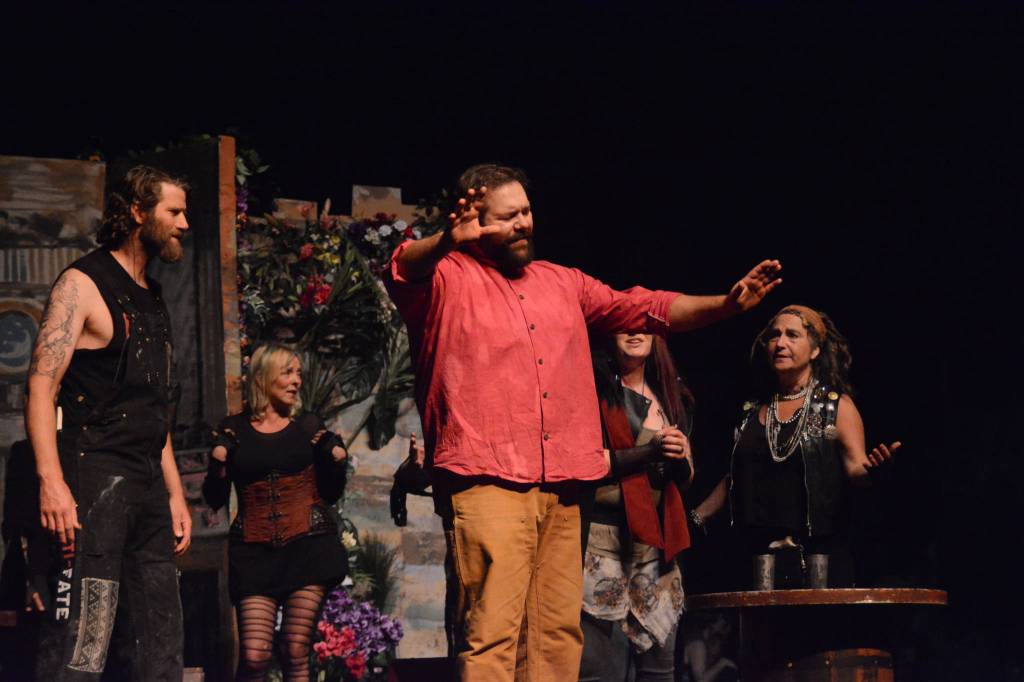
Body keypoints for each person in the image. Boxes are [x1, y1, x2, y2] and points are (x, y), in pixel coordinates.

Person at [383, 162, 782, 681]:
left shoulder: (561, 282)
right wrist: (444, 242)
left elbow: (645, 308)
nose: (524, 223)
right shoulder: (445, 279)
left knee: (555, 638)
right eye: (508, 216)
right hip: (488, 478)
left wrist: (725, 305)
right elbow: (402, 267)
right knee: (492, 635)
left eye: (527, 211)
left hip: (565, 486)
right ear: (475, 222)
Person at [24, 165, 193, 680]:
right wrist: (52, 483)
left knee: (160, 638)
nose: (185, 223)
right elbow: (39, 386)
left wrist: (176, 493)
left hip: (145, 483)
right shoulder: (82, 283)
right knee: (84, 637)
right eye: (174, 211)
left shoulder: (154, 294)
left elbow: (153, 409)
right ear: (137, 212)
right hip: (93, 477)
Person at [689, 305, 900, 586]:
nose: (781, 343)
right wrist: (695, 517)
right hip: (758, 561)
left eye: (793, 335)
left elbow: (855, 468)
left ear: (814, 351)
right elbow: (735, 477)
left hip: (818, 562)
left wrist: (875, 471)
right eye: (775, 335)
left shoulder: (835, 408)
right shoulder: (752, 411)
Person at [202, 343, 349, 682]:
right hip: (254, 553)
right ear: (264, 377)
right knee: (254, 657)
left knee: (295, 649)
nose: (296, 380)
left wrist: (337, 463)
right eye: (287, 372)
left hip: (309, 549)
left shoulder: (308, 427)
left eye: (298, 373)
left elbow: (330, 492)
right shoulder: (233, 430)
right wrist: (218, 467)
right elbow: (214, 498)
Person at [579, 333, 694, 682]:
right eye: (623, 324)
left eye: (643, 325)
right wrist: (650, 451)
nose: (634, 332)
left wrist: (679, 459)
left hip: (655, 551)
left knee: (659, 671)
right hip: (599, 546)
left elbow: (685, 479)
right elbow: (583, 463)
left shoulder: (674, 398)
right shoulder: (591, 391)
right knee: (596, 670)